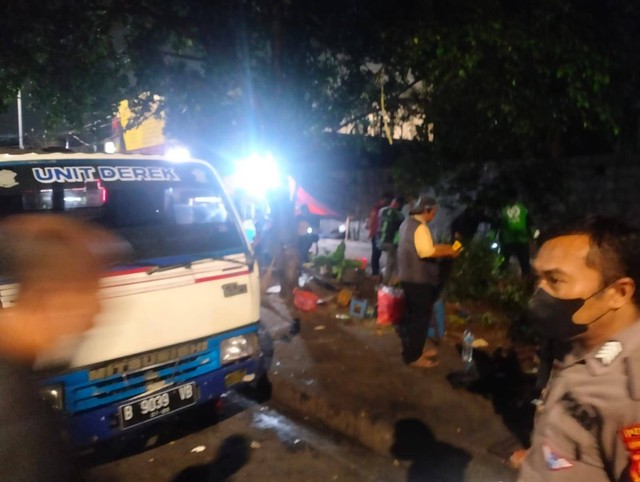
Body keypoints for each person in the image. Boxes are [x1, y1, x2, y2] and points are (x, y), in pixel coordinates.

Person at [0, 214, 124, 481]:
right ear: (48, 295)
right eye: (89, 291)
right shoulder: (15, 417)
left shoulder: (18, 372)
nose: (100, 308)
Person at [518, 216, 640, 481]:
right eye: (538, 278)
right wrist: (539, 454)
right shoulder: (578, 342)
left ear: (618, 293)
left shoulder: (631, 394)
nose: (538, 293)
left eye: (555, 280)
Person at [396, 196, 460, 368]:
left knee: (413, 317)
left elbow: (424, 247)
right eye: (433, 212)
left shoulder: (406, 224)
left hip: (406, 277)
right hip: (419, 280)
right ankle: (413, 357)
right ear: (427, 210)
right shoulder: (421, 228)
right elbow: (426, 251)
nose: (434, 216)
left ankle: (413, 350)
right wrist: (448, 252)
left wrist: (445, 248)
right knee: (420, 319)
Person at [498, 189, 534, 277]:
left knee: (503, 262)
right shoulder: (523, 209)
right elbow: (529, 223)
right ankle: (527, 283)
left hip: (509, 241)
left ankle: (498, 278)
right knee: (524, 264)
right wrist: (531, 236)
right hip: (520, 240)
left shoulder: (503, 210)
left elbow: (499, 225)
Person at [377, 196, 405, 285]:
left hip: (380, 241)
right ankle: (385, 283)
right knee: (391, 264)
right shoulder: (399, 215)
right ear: (398, 205)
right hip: (390, 242)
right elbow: (401, 229)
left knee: (391, 261)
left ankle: (385, 278)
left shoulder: (382, 211)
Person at [368, 192, 392, 277]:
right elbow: (373, 220)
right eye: (387, 200)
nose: (387, 202)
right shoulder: (379, 208)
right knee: (376, 254)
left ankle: (376, 273)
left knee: (377, 254)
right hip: (377, 234)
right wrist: (371, 232)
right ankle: (375, 273)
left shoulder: (378, 208)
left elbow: (371, 220)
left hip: (379, 234)